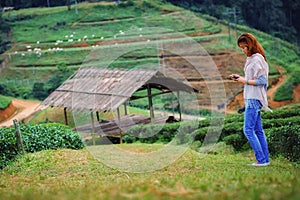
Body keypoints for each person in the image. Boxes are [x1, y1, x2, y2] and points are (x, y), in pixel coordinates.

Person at [230, 32, 271, 166]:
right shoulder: (253, 58)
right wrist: (241, 78)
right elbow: (253, 78)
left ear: (250, 45)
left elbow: (261, 80)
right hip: (253, 97)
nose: (243, 50)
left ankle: (261, 159)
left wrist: (243, 80)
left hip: (254, 98)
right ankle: (265, 159)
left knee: (248, 130)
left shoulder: (257, 58)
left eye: (244, 47)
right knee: (258, 130)